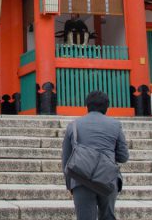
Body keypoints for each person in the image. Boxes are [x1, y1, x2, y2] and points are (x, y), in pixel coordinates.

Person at [61, 91, 129, 220]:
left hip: (80, 179)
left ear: (87, 106)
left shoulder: (73, 125)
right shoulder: (115, 125)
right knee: (108, 217)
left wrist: (70, 184)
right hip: (108, 178)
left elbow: (66, 159)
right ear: (107, 107)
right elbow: (123, 157)